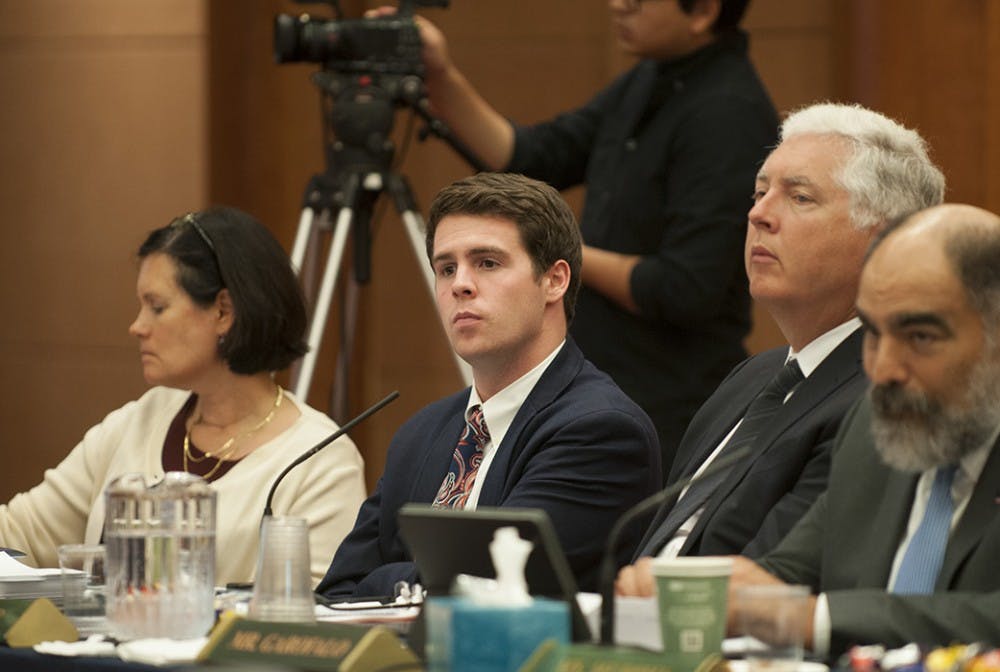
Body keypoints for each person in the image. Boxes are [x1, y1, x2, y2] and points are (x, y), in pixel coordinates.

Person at [379, 0, 778, 473]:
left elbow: (684, 288)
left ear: (703, 12)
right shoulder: (648, 78)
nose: (618, 4)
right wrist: (439, 76)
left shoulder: (728, 111)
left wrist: (554, 256)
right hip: (603, 383)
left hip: (669, 406)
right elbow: (531, 156)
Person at [615, 103, 946, 592]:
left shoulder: (884, 394)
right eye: (759, 192)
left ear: (884, 241)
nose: (757, 214)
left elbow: (777, 581)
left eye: (800, 198)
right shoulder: (748, 379)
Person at [316, 172, 662, 598]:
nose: (459, 284)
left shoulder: (600, 430)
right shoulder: (420, 434)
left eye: (487, 262)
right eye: (446, 268)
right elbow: (337, 589)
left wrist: (391, 581)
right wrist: (421, 581)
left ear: (555, 280)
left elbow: (486, 587)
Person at [0, 207, 367, 585]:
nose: (137, 326)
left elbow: (317, 616)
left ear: (223, 311)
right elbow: (22, 532)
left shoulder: (319, 460)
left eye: (157, 307)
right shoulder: (142, 419)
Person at [727, 203, 1000, 657]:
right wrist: (691, 592)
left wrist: (814, 618)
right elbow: (780, 578)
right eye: (873, 334)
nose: (883, 369)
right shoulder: (874, 431)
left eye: (920, 337)